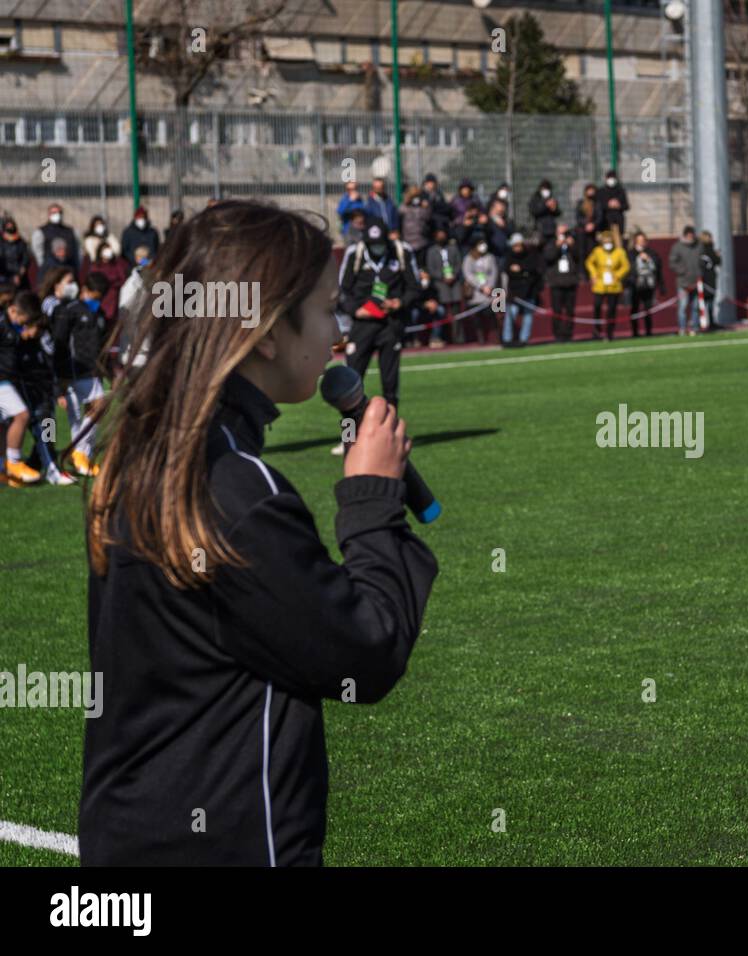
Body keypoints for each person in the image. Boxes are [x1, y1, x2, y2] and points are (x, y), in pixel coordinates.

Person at [79, 199, 438, 865]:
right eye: (328, 308)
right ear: (267, 332)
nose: (339, 333)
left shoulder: (146, 453)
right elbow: (368, 651)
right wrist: (371, 500)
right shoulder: (237, 489)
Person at [336, 218, 421, 430]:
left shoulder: (401, 252)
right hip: (362, 325)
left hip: (390, 325)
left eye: (380, 243)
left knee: (390, 384)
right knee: (350, 383)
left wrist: (399, 302)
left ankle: (389, 433)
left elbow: (415, 287)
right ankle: (349, 437)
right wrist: (356, 310)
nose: (377, 248)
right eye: (372, 244)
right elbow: (341, 290)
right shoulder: (354, 254)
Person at [8, 291, 74, 484]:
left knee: (48, 427)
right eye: (36, 328)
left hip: (44, 391)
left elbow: (49, 367)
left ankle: (37, 464)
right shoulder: (18, 343)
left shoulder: (41, 341)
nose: (38, 333)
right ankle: (52, 470)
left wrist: (56, 391)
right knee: (42, 427)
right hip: (29, 391)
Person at [51, 271, 110, 478]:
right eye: (95, 296)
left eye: (100, 297)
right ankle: (77, 453)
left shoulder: (99, 313)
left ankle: (82, 456)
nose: (97, 300)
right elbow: (60, 344)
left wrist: (105, 369)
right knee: (94, 409)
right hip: (74, 371)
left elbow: (102, 344)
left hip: (92, 370)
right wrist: (59, 381)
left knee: (91, 412)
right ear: (85, 290)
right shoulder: (71, 311)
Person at [0, 293, 40, 485]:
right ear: (14, 310)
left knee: (7, 423)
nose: (25, 326)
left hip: (17, 382)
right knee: (23, 416)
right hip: (4, 381)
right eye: (25, 321)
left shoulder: (12, 327)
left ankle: (5, 468)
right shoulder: (3, 323)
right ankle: (15, 462)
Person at [585, 230, 629, 341]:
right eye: (605, 241)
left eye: (609, 241)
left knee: (612, 309)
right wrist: (593, 274)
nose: (607, 243)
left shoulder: (619, 252)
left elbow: (626, 266)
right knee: (597, 305)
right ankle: (597, 330)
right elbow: (589, 262)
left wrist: (618, 275)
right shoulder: (597, 251)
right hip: (600, 284)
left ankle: (610, 332)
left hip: (614, 285)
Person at [424, 226, 465, 345]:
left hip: (454, 282)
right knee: (443, 312)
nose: (441, 236)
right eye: (439, 234)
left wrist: (453, 275)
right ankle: (444, 337)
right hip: (440, 284)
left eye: (443, 234)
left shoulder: (453, 248)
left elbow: (459, 264)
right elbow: (431, 269)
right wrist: (442, 277)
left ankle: (459, 337)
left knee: (457, 312)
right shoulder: (431, 251)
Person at [502, 233, 543, 348]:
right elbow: (508, 271)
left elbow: (533, 271)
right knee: (510, 315)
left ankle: (524, 339)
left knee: (528, 316)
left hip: (529, 291)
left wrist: (521, 270)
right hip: (514, 293)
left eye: (519, 245)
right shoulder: (509, 257)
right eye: (515, 246)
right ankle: (507, 339)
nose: (517, 248)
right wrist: (523, 272)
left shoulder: (531, 255)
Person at [543, 223, 580, 342]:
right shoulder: (551, 243)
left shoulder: (572, 243)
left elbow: (579, 257)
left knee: (570, 310)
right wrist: (557, 246)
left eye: (565, 232)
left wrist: (572, 245)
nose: (563, 235)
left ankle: (568, 333)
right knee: (557, 310)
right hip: (557, 282)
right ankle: (557, 334)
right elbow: (548, 257)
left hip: (570, 281)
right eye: (561, 233)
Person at [461, 238, 500, 345]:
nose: (483, 246)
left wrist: (490, 286)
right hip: (476, 292)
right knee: (477, 317)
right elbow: (468, 275)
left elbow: (494, 272)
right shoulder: (468, 258)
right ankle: (481, 338)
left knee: (493, 314)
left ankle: (496, 337)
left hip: (490, 291)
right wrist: (481, 286)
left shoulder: (490, 257)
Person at [627, 232, 664, 337]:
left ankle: (648, 331)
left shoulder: (651, 253)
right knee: (635, 309)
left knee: (648, 308)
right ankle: (635, 332)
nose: (641, 243)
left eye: (643, 240)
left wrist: (648, 260)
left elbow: (658, 268)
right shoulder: (631, 253)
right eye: (639, 240)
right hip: (635, 285)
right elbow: (629, 268)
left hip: (648, 285)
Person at [668, 225, 702, 336]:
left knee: (696, 307)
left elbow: (703, 260)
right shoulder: (677, 247)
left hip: (696, 282)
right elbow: (672, 262)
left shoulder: (699, 246)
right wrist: (682, 271)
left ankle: (695, 328)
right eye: (688, 235)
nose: (690, 237)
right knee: (682, 307)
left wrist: (701, 272)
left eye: (692, 235)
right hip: (683, 283)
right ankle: (682, 328)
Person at [33, 204, 80, 271]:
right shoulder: (41, 232)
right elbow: (38, 252)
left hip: (69, 268)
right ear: (49, 214)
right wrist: (43, 267)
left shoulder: (71, 231)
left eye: (59, 213)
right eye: (54, 213)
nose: (57, 215)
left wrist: (77, 267)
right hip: (50, 270)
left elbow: (77, 251)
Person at [594, 170, 630, 248]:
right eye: (610, 178)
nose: (611, 180)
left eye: (613, 178)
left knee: (618, 244)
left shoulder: (620, 191)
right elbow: (598, 206)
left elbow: (626, 206)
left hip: (618, 222)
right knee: (605, 242)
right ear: (606, 179)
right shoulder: (601, 191)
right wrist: (608, 205)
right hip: (605, 222)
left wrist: (618, 205)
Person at [697, 230, 722, 331]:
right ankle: (702, 323)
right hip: (703, 280)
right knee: (702, 303)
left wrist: (718, 256)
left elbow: (718, 262)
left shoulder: (711, 249)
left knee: (710, 302)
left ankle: (711, 322)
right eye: (709, 237)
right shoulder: (702, 250)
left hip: (711, 279)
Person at [1, 217, 32, 291]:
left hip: (21, 277)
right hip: (5, 277)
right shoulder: (1, 243)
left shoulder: (21, 242)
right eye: (8, 226)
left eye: (11, 226)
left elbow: (26, 260)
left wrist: (19, 275)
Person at [528, 180, 561, 245]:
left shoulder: (552, 199)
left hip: (551, 230)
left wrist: (554, 208)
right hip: (540, 229)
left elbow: (558, 213)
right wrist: (546, 205)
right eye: (544, 188)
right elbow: (534, 211)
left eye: (547, 188)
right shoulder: (535, 199)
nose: (546, 191)